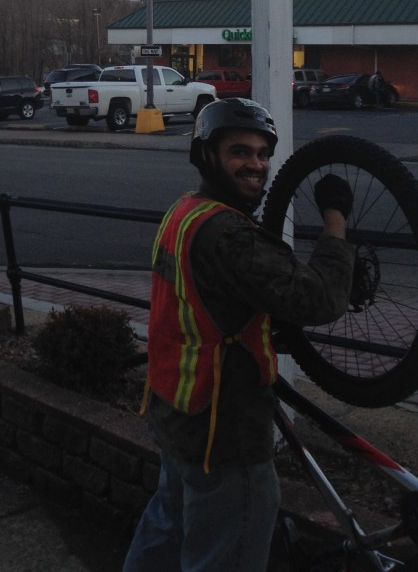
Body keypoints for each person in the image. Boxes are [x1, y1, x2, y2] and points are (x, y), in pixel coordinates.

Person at [122, 97, 354, 572]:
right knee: (225, 552)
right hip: (222, 435)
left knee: (166, 532)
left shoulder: (185, 211)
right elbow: (319, 300)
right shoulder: (228, 235)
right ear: (207, 155)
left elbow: (211, 302)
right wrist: (335, 218)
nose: (256, 164)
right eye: (239, 152)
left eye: (262, 153)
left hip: (175, 415)